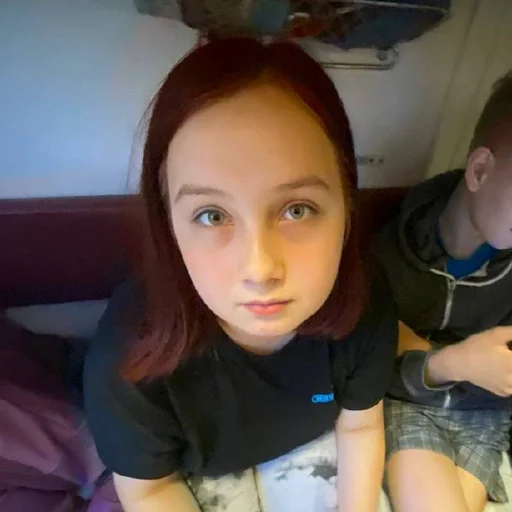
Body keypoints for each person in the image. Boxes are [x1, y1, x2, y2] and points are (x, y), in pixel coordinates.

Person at [83, 37, 398, 512]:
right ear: (168, 225)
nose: (260, 269)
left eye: (297, 209)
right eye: (212, 215)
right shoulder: (127, 362)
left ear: (347, 207)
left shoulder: (365, 300)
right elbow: (149, 488)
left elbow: (360, 426)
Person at [373, 71, 512, 512]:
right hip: (409, 403)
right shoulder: (390, 253)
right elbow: (367, 365)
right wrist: (458, 362)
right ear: (480, 170)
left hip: (484, 416)